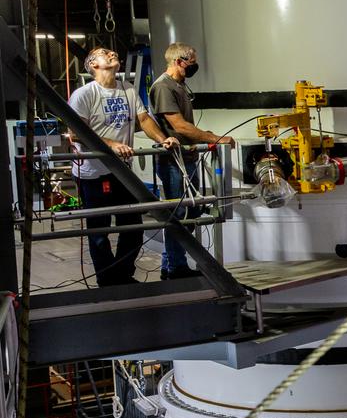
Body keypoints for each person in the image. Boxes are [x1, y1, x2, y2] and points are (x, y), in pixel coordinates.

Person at [68, 47, 180, 286]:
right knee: (99, 232)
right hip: (93, 173)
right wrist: (111, 145)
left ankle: (122, 275)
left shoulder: (127, 89)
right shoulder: (84, 94)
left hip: (122, 172)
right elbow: (75, 132)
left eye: (111, 51)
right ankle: (107, 281)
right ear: (93, 65)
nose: (111, 53)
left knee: (133, 227)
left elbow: (144, 119)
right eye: (104, 53)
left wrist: (163, 139)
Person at [149, 42, 233, 280]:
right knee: (180, 214)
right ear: (179, 61)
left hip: (187, 157)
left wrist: (201, 138)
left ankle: (170, 264)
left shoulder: (179, 85)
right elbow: (179, 126)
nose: (195, 66)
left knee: (189, 212)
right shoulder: (163, 87)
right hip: (174, 162)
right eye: (192, 62)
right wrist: (215, 139)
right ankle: (176, 267)